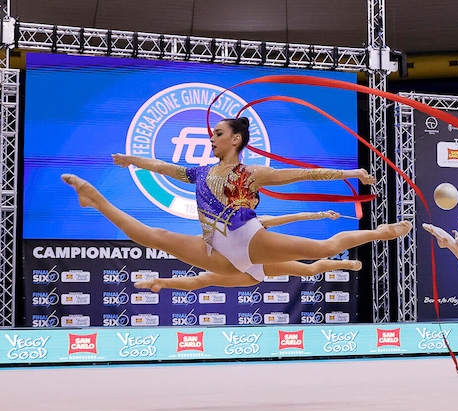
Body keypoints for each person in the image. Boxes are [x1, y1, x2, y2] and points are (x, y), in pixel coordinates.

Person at [62, 117, 411, 288]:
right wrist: (132, 160)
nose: (212, 138)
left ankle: (381, 232)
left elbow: (306, 175)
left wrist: (353, 173)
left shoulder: (253, 173)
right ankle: (95, 199)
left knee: (324, 248)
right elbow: (166, 168)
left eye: (218, 134)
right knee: (154, 237)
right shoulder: (200, 173)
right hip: (217, 249)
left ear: (236, 139)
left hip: (248, 239)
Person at [134, 210, 363, 292]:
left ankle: (345, 264)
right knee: (203, 280)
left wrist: (321, 214)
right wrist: (164, 281)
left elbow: (288, 219)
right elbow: (198, 274)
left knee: (310, 269)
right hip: (245, 271)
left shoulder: (253, 223)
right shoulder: (212, 232)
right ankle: (162, 282)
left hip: (258, 259)